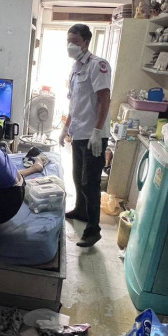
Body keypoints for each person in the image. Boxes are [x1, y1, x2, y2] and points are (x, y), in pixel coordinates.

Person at [58, 24, 111, 247]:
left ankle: (93, 229)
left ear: (86, 43)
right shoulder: (75, 67)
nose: (71, 45)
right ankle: (80, 210)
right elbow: (74, 102)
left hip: (93, 135)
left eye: (76, 41)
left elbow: (104, 99)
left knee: (90, 183)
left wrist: (98, 132)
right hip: (79, 133)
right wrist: (65, 128)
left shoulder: (98, 65)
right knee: (77, 177)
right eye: (69, 41)